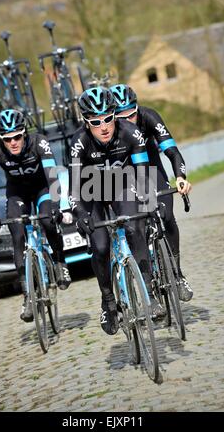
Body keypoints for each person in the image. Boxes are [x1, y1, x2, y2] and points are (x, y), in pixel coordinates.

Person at [68, 87, 166, 336]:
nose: (104, 127)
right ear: (86, 122)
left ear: (115, 116)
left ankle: (149, 293)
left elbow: (144, 175)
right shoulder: (79, 143)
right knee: (100, 246)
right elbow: (74, 187)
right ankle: (107, 300)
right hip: (92, 192)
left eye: (108, 119)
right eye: (96, 122)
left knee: (135, 228)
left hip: (123, 185)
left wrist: (149, 205)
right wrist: (80, 215)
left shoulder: (131, 132)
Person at [0, 109, 71, 322]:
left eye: (17, 136)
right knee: (17, 236)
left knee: (47, 222)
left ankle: (60, 262)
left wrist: (57, 205)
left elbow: (53, 177)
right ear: (1, 139)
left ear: (24, 133)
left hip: (42, 189)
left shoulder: (38, 142)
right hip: (17, 193)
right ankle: (27, 297)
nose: (13, 142)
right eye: (7, 139)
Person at [109, 84, 193, 302]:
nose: (129, 120)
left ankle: (177, 274)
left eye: (132, 114)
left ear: (137, 109)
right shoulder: (111, 131)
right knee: (135, 227)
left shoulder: (149, 117)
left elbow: (172, 151)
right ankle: (148, 285)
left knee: (167, 216)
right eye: (122, 117)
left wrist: (180, 177)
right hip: (125, 178)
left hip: (153, 171)